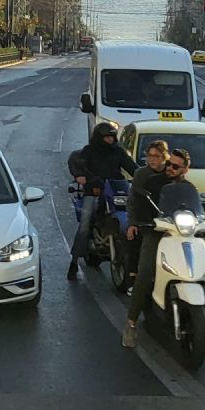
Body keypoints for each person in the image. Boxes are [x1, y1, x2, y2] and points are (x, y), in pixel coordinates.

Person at [155, 149, 205, 349]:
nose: (170, 168)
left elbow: (196, 210)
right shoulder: (157, 183)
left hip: (185, 234)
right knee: (144, 271)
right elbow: (142, 203)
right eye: (169, 164)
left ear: (185, 169)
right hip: (159, 232)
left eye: (175, 166)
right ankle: (131, 321)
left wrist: (201, 220)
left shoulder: (189, 189)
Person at [66, 120, 135, 280]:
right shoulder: (88, 151)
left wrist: (141, 175)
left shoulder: (118, 152)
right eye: (107, 137)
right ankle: (74, 262)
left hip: (115, 191)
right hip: (94, 191)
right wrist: (90, 179)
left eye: (112, 137)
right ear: (99, 137)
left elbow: (130, 166)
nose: (110, 140)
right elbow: (81, 167)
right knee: (84, 225)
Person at [122, 140, 175, 348]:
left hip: (174, 229)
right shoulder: (142, 175)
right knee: (144, 272)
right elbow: (133, 200)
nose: (154, 160)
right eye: (150, 156)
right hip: (151, 228)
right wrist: (133, 223)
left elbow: (185, 198)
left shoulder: (173, 174)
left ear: (165, 157)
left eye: (158, 156)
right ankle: (131, 323)